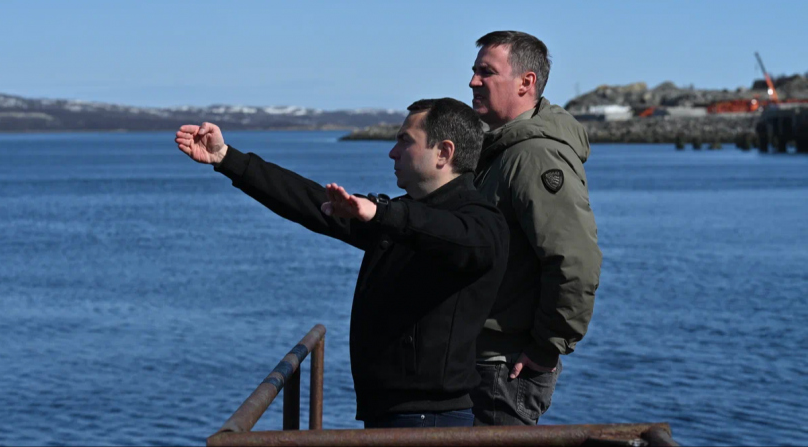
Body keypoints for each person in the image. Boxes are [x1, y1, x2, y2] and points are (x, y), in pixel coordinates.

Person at [174, 98, 509, 428]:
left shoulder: (480, 222)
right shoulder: (401, 216)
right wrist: (227, 158)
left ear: (444, 152)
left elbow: (455, 236)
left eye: (405, 141)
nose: (392, 152)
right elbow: (310, 202)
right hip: (392, 414)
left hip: (430, 420)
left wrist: (382, 212)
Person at [468, 31, 603, 426]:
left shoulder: (534, 155)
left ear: (525, 82)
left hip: (504, 367)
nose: (473, 82)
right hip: (486, 360)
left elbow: (574, 260)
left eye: (486, 72)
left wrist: (547, 347)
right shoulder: (503, 150)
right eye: (474, 71)